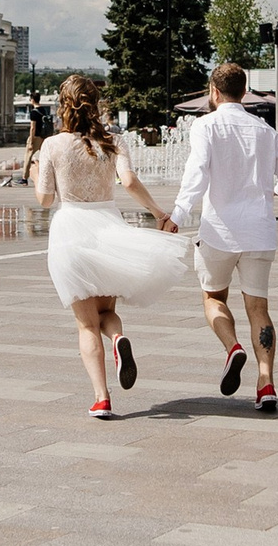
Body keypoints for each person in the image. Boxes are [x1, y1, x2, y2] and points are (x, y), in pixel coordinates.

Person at [35, 74, 187, 418]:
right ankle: (118, 339)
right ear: (96, 105)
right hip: (108, 229)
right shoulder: (114, 141)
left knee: (86, 324)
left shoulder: (52, 145)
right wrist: (159, 213)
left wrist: (34, 176)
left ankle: (102, 398)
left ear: (63, 106)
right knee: (106, 313)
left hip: (71, 232)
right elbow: (129, 182)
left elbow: (44, 199)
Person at [166, 61, 278, 413]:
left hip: (219, 232)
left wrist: (178, 215)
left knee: (213, 297)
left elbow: (197, 172)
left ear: (213, 91)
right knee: (259, 308)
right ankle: (266, 382)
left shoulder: (205, 126)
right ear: (245, 92)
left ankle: (232, 347)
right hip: (259, 232)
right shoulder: (266, 131)